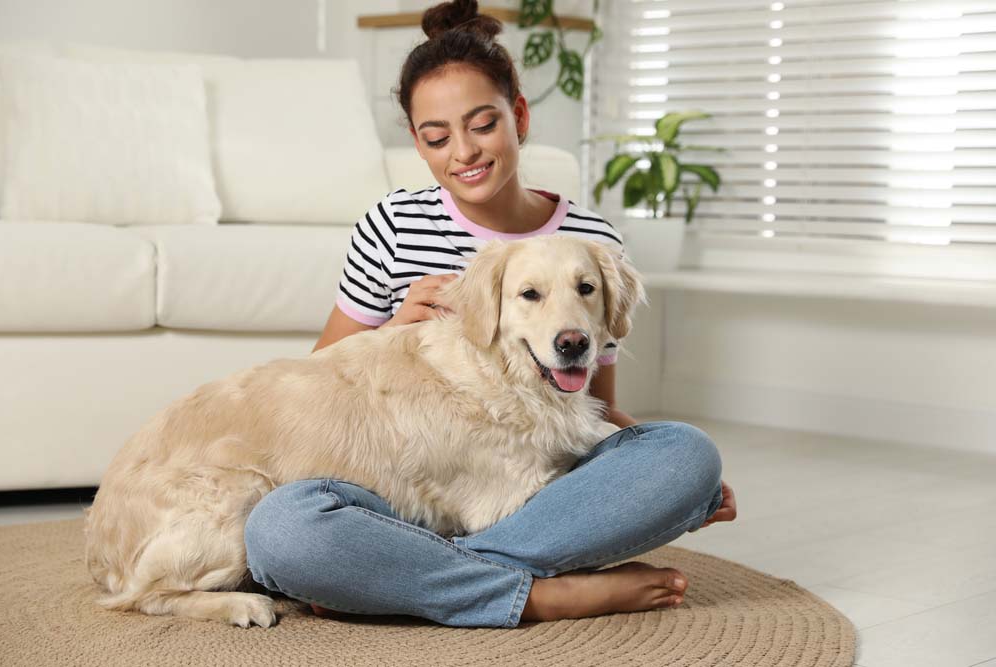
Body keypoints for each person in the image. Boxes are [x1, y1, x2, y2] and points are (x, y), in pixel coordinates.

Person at [244, 0, 736, 629]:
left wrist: (673, 479)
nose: (464, 152)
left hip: (534, 476)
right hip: (397, 489)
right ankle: (537, 595)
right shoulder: (393, 226)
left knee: (686, 452)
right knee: (281, 529)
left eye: (483, 124)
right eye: (437, 137)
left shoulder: (590, 240)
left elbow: (596, 409)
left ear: (518, 116)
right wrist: (394, 329)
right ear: (418, 145)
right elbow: (312, 387)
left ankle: (398, 578)